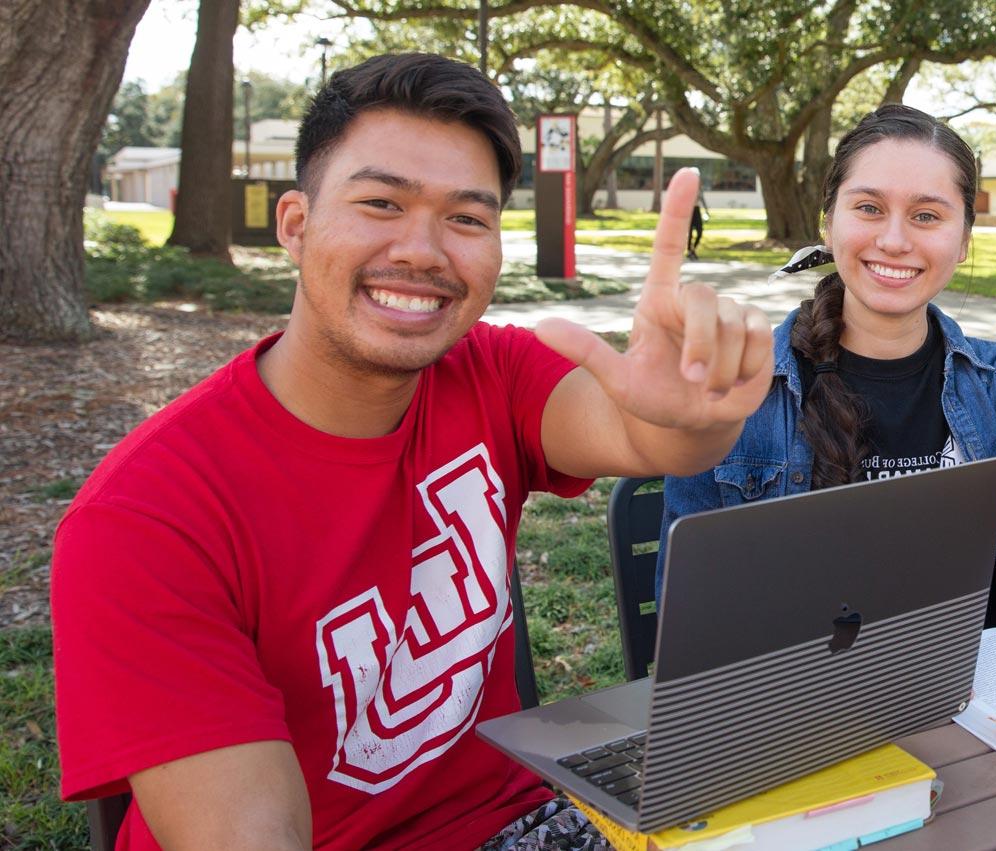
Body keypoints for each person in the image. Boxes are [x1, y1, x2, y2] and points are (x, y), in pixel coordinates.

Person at [51, 54, 774, 851]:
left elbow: (643, 432)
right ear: (295, 224)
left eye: (466, 218)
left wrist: (698, 410)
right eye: (381, 203)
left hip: (525, 821)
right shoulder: (145, 518)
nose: (424, 250)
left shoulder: (487, 373)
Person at [663, 105, 996, 632]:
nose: (894, 240)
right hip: (807, 703)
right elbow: (689, 615)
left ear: (963, 242)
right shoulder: (736, 392)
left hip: (989, 699)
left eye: (927, 215)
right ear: (828, 221)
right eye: (868, 207)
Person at [688, 185, 707, 260]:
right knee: (690, 234)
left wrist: (706, 210)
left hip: (697, 210)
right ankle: (689, 251)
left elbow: (702, 200)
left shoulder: (699, 190)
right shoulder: (688, 190)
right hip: (690, 211)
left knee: (700, 232)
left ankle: (693, 250)